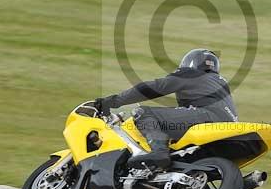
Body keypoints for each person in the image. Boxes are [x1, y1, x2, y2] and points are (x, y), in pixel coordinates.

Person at [95, 49, 238, 170]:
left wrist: (112, 101)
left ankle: (159, 151)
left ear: (190, 63)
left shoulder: (190, 73)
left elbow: (154, 88)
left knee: (143, 112)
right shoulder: (220, 83)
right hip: (229, 127)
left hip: (207, 117)